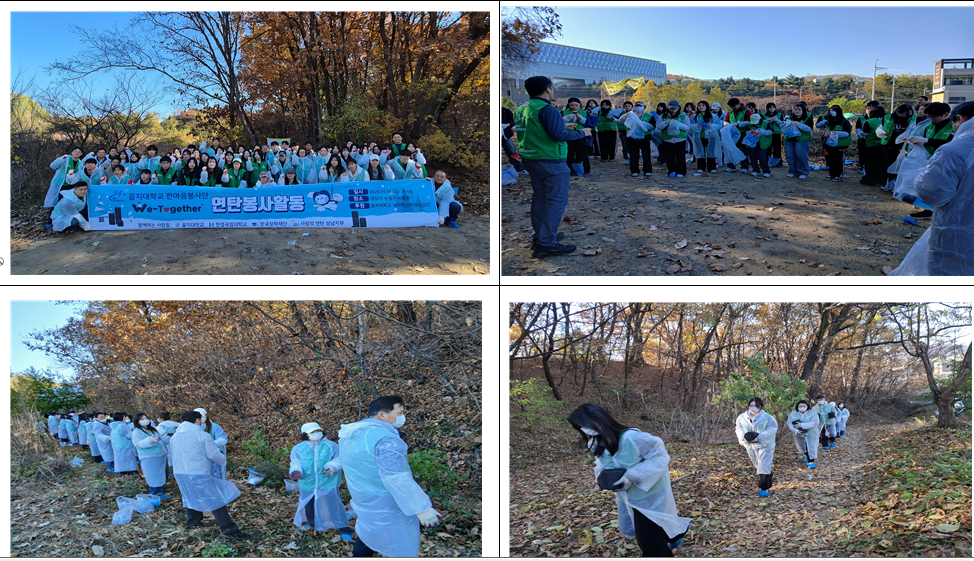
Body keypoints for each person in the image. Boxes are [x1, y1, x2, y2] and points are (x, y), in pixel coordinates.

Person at [567, 403, 690, 557]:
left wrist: (632, 477)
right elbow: (601, 463)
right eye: (580, 427)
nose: (584, 429)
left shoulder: (633, 438)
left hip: (650, 497)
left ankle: (668, 543)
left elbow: (659, 456)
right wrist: (601, 476)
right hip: (627, 498)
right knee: (639, 535)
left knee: (650, 542)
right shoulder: (598, 442)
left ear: (598, 418)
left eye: (584, 425)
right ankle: (668, 541)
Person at [338, 395, 440, 558]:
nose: (402, 417)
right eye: (399, 413)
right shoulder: (386, 440)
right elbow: (396, 478)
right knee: (401, 544)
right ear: (382, 415)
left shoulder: (351, 434)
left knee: (367, 536)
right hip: (389, 503)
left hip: (362, 498)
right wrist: (421, 508)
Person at [513, 76, 592, 258]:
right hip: (550, 160)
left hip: (531, 158)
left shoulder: (522, 108)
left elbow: (537, 129)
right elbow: (559, 135)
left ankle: (540, 236)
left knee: (540, 198)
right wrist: (582, 132)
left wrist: (561, 125)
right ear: (548, 89)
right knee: (556, 201)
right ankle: (546, 242)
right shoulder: (547, 109)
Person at [908, 101, 974, 274]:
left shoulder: (953, 150)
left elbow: (934, 194)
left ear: (960, 118)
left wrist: (917, 178)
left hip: (959, 230)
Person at [171, 410, 249, 540]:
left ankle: (193, 522)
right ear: (197, 420)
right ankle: (229, 530)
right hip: (197, 471)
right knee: (215, 498)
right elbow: (213, 454)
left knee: (189, 496)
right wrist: (223, 460)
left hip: (179, 472)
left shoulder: (175, 436)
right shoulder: (201, 435)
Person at [288, 422, 353, 538]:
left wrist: (332, 466)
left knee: (334, 505)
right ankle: (313, 524)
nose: (316, 434)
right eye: (312, 432)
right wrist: (296, 470)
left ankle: (344, 529)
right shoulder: (299, 448)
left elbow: (340, 458)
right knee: (309, 506)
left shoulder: (331, 446)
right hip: (307, 483)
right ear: (306, 434)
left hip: (328, 481)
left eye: (318, 431)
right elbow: (296, 461)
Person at [734, 397, 777, 497]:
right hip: (750, 445)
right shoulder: (742, 417)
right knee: (757, 464)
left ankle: (764, 488)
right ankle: (769, 474)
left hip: (765, 444)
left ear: (760, 406)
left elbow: (772, 428)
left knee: (763, 464)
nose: (753, 408)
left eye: (756, 406)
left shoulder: (768, 417)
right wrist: (744, 437)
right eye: (751, 405)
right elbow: (739, 428)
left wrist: (759, 436)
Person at [132, 412, 170, 498]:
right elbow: (138, 444)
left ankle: (160, 490)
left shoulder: (152, 429)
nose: (145, 420)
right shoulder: (137, 432)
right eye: (142, 419)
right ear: (137, 421)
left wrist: (170, 438)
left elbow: (160, 439)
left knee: (163, 474)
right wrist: (149, 440)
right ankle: (156, 493)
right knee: (154, 476)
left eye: (146, 418)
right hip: (150, 457)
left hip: (161, 455)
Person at [815, 105, 853, 181]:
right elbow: (823, 132)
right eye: (831, 110)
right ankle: (831, 174)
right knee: (830, 160)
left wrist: (834, 133)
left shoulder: (844, 122)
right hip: (829, 144)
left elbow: (847, 133)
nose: (832, 112)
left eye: (834, 111)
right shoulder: (828, 122)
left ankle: (838, 175)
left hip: (840, 144)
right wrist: (824, 133)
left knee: (839, 160)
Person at [656, 100, 691, 178]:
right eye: (671, 108)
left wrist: (678, 124)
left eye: (674, 108)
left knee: (680, 156)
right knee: (669, 156)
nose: (673, 109)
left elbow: (687, 127)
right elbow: (658, 126)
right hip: (667, 139)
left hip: (680, 139)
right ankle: (671, 171)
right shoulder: (663, 116)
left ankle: (681, 171)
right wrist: (666, 123)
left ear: (678, 107)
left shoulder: (683, 116)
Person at [622, 101, 656, 177]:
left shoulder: (649, 116)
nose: (638, 107)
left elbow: (653, 126)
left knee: (646, 155)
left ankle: (647, 170)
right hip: (632, 138)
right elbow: (623, 123)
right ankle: (634, 170)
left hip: (645, 138)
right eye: (637, 105)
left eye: (640, 106)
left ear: (644, 107)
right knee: (633, 155)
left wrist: (644, 125)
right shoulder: (630, 115)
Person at [194, 408, 229, 480]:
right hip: (200, 457)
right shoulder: (194, 428)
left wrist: (210, 445)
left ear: (205, 416)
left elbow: (223, 439)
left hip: (214, 457)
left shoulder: (214, 427)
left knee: (216, 477)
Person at [859, 105, 889, 186]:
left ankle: (870, 180)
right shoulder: (886, 121)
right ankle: (881, 179)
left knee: (870, 164)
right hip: (883, 145)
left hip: (871, 145)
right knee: (882, 163)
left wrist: (861, 134)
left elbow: (865, 134)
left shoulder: (869, 121)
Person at [723, 98, 753, 174]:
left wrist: (738, 124)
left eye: (734, 106)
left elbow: (750, 121)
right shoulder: (730, 111)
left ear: (738, 104)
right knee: (730, 149)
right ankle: (731, 166)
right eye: (731, 106)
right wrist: (727, 124)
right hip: (732, 133)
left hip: (743, 133)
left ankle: (744, 166)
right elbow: (726, 120)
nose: (733, 108)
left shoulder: (746, 111)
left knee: (743, 150)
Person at [786, 400, 819, 469]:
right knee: (803, 447)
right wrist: (796, 431)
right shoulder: (793, 414)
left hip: (811, 433)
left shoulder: (813, 414)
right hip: (799, 434)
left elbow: (815, 423)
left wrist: (802, 425)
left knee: (811, 447)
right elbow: (790, 423)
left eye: (804, 406)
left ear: (807, 406)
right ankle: (807, 455)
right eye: (800, 406)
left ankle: (811, 461)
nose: (802, 408)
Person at [691, 100, 721, 175]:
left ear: (707, 107)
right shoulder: (694, 116)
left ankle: (712, 167)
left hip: (710, 136)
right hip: (699, 136)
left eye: (703, 105)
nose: (701, 107)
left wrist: (711, 126)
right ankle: (701, 167)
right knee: (699, 151)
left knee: (711, 151)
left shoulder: (713, 116)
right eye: (699, 105)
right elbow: (690, 125)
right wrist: (696, 126)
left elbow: (719, 125)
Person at [784, 104, 813, 179]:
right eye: (795, 109)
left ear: (803, 110)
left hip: (802, 140)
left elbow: (809, 129)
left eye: (799, 110)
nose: (797, 111)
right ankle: (792, 171)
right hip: (789, 139)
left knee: (801, 156)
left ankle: (803, 172)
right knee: (790, 156)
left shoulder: (808, 119)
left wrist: (799, 125)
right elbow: (783, 126)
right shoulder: (789, 118)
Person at [562, 98, 590, 176]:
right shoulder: (564, 112)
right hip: (569, 134)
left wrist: (581, 118)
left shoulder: (584, 112)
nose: (574, 107)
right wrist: (567, 118)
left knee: (583, 152)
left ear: (579, 105)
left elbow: (588, 123)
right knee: (569, 153)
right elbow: (560, 122)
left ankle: (585, 169)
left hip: (581, 134)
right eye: (572, 105)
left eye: (576, 105)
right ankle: (570, 170)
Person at [743, 113, 773, 178]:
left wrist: (762, 132)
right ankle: (755, 170)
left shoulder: (765, 123)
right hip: (752, 142)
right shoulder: (749, 124)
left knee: (762, 156)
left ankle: (766, 171)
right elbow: (746, 131)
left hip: (762, 142)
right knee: (752, 156)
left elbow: (771, 131)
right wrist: (751, 132)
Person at [502, 106, 526, 173]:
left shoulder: (505, 111)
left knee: (512, 151)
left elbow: (513, 120)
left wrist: (507, 124)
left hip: (505, 134)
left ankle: (519, 169)